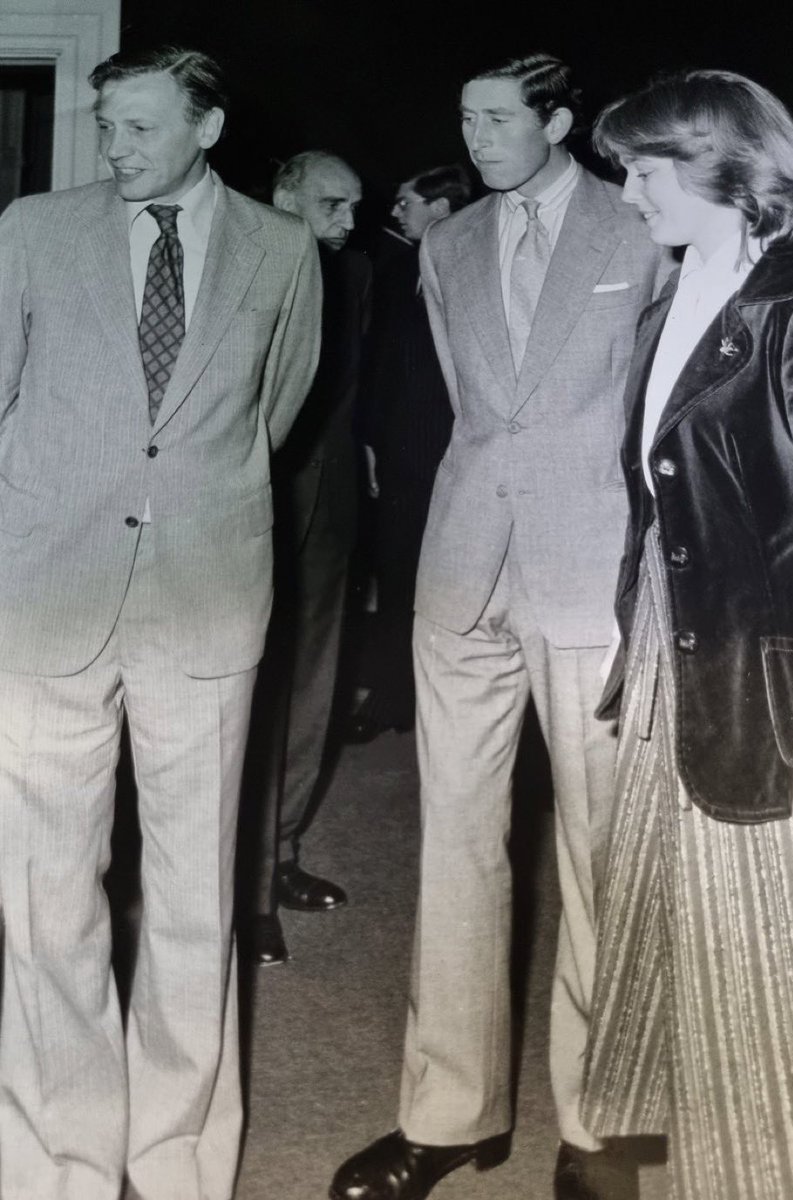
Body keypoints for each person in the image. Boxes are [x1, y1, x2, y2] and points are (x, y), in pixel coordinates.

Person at [331, 52, 671, 1200]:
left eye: (495, 118)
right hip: (462, 571)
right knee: (457, 844)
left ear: (559, 119)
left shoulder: (639, 228)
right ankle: (445, 1114)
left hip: (591, 574)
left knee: (595, 855)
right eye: (462, 119)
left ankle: (597, 1127)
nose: (474, 139)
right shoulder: (447, 244)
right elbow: (463, 412)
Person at [0, 45, 321, 1200]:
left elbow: (271, 413)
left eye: (139, 125)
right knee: (46, 899)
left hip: (202, 597)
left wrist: (177, 501)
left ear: (207, 124)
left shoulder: (282, 252)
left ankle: (176, 1154)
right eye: (106, 124)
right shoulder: (32, 231)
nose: (114, 147)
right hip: (46, 597)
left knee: (194, 894)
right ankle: (59, 1160)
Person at [579, 69, 793, 1200]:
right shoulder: (675, 297)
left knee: (779, 979)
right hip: (671, 659)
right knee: (688, 953)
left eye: (645, 171)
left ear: (724, 168)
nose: (629, 192)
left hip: (770, 682)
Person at [241, 151, 371, 966]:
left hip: (329, 504)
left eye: (355, 207)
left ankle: (278, 855)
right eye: (331, 204)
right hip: (250, 499)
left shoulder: (353, 274)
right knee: (250, 688)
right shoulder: (242, 256)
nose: (348, 222)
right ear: (283, 194)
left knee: (313, 682)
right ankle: (241, 889)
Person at [347, 163, 472, 744]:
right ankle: (394, 698)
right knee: (397, 580)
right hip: (399, 458)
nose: (396, 213)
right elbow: (376, 362)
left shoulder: (475, 269)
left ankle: (450, 711)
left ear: (441, 209)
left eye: (407, 203)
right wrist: (370, 439)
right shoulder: (395, 271)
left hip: (458, 457)